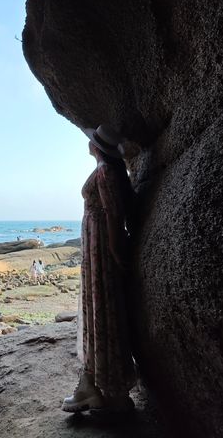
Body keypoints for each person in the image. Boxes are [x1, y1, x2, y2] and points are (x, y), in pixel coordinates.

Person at [62, 125, 137, 414]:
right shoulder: (108, 170)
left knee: (101, 308)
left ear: (98, 147)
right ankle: (95, 384)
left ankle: (101, 386)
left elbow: (113, 215)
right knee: (98, 309)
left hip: (101, 246)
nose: (88, 142)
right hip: (97, 245)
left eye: (92, 140)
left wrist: (117, 254)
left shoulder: (105, 171)